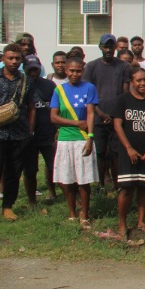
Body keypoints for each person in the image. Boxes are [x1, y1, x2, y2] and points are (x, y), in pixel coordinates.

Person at [0, 43, 35, 224]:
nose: (13, 62)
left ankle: (8, 207)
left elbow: (31, 108)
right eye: (10, 58)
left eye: (17, 59)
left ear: (21, 60)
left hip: (19, 134)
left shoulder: (26, 81)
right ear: (3, 59)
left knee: (14, 172)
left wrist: (30, 130)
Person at [111, 67, 145, 241]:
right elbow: (118, 125)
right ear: (132, 82)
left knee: (143, 186)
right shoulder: (123, 100)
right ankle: (122, 224)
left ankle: (141, 221)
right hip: (128, 152)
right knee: (126, 189)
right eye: (138, 80)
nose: (142, 83)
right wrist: (128, 148)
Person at [49, 56, 98, 229]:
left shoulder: (89, 88)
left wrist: (90, 136)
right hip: (65, 139)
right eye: (71, 71)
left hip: (82, 139)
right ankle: (71, 212)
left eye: (78, 71)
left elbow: (91, 113)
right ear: (66, 71)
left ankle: (84, 213)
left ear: (83, 70)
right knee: (66, 178)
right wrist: (76, 122)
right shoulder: (59, 90)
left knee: (83, 180)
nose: (75, 74)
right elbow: (54, 116)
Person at [82, 34, 131, 190]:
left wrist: (115, 115)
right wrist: (102, 114)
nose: (108, 49)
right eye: (105, 46)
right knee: (100, 153)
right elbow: (88, 95)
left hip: (117, 118)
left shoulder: (123, 66)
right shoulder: (91, 67)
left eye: (111, 46)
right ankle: (101, 184)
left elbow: (125, 93)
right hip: (97, 117)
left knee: (117, 153)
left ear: (116, 47)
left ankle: (118, 185)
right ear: (100, 47)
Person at [23, 56, 58, 206]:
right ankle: (32, 201)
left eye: (35, 69)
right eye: (30, 69)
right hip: (27, 135)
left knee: (52, 166)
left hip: (48, 133)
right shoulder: (20, 85)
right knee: (30, 170)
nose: (33, 72)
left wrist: (57, 130)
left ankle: (53, 193)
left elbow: (57, 108)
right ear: (24, 69)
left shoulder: (49, 85)